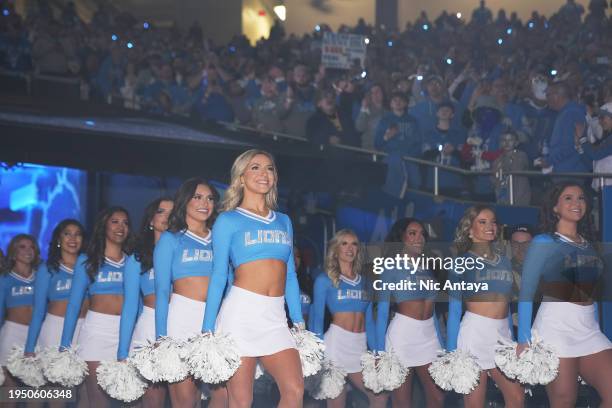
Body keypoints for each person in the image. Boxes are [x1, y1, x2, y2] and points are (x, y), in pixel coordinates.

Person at [202, 150, 305, 407]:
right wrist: (207, 329)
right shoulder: (228, 220)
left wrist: (299, 319)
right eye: (255, 167)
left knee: (294, 390)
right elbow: (218, 276)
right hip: (241, 314)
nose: (264, 174)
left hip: (276, 317)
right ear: (241, 178)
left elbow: (290, 274)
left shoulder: (284, 221)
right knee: (241, 400)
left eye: (269, 168)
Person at [518, 182, 612, 406]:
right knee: (564, 401)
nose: (576, 203)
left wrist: (597, 327)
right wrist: (523, 339)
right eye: (568, 198)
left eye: (581, 198)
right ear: (555, 207)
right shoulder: (544, 242)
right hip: (556, 328)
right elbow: (526, 292)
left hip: (589, 329)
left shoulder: (590, 245)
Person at [154, 179, 226, 407]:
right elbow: (162, 291)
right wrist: (161, 338)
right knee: (186, 400)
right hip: (182, 319)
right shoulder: (170, 239)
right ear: (184, 201)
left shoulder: (221, 238)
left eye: (210, 198)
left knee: (224, 396)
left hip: (217, 320)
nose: (205, 203)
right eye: (197, 197)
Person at [447, 206, 524, 408]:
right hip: (475, 333)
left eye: (493, 221)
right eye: (482, 222)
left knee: (516, 398)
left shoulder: (505, 261)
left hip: (502, 334)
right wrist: (451, 352)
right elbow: (454, 310)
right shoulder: (461, 262)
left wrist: (513, 341)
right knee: (475, 404)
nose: (490, 226)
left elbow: (506, 305)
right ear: (469, 230)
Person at [59, 207, 132, 407]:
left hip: (127, 333)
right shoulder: (87, 260)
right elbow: (74, 305)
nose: (121, 227)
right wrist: (65, 345)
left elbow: (139, 302)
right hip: (96, 332)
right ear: (104, 226)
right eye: (115, 221)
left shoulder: (133, 260)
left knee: (130, 397)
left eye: (125, 223)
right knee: (97, 398)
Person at [310, 229, 388, 408]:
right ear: (335, 249)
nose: (350, 248)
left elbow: (370, 322)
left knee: (379, 396)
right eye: (344, 243)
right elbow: (317, 319)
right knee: (337, 401)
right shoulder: (324, 280)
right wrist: (318, 354)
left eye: (354, 244)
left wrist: (377, 353)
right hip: (336, 345)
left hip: (359, 347)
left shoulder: (366, 282)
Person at [376, 219, 445, 407]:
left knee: (438, 397)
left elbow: (434, 311)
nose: (419, 238)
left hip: (429, 335)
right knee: (402, 402)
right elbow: (382, 311)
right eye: (412, 233)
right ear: (401, 237)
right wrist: (379, 352)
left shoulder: (429, 267)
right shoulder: (390, 266)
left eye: (422, 233)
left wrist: (442, 343)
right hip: (403, 336)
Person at [118, 197, 173, 407]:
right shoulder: (137, 257)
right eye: (161, 211)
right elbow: (131, 306)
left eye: (172, 212)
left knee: (187, 398)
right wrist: (123, 352)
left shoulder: (182, 250)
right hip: (149, 328)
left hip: (181, 323)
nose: (167, 216)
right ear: (151, 220)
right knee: (153, 399)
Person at [24, 220, 87, 361]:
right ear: (58, 239)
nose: (72, 239)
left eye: (77, 234)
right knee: (55, 381)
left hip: (85, 329)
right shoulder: (47, 269)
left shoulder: (90, 267)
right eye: (67, 234)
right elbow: (38, 311)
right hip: (55, 329)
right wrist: (29, 348)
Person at [0, 235, 41, 394]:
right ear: (13, 251)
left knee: (36, 386)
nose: (28, 251)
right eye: (22, 247)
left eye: (31, 247)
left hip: (37, 335)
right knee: (9, 389)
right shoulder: (5, 278)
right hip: (12, 333)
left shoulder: (41, 276)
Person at [491, 131, 531, 205]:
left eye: (510, 140)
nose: (507, 143)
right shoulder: (497, 161)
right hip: (503, 200)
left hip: (520, 197)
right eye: (504, 140)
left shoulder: (521, 156)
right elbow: (494, 181)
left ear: (516, 143)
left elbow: (516, 168)